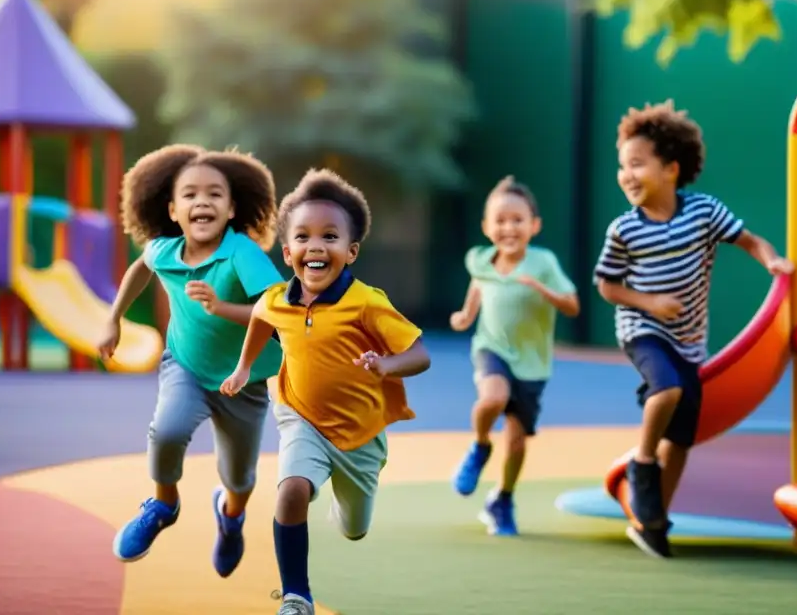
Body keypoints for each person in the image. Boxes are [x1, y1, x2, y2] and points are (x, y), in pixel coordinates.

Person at [220, 168, 431, 615]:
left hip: (359, 435)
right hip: (302, 417)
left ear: (351, 251)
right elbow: (260, 317)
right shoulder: (278, 298)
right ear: (288, 250)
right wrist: (243, 369)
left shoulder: (368, 302)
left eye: (330, 237)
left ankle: (344, 505)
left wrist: (386, 365)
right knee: (291, 489)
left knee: (355, 528)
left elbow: (419, 355)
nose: (316, 246)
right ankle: (297, 596)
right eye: (304, 237)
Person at [593, 101, 793, 559]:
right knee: (666, 392)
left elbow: (750, 240)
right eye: (622, 166)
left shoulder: (703, 212)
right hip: (641, 328)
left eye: (637, 164)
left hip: (689, 339)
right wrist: (650, 303)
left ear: (670, 169)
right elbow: (607, 286)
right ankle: (642, 464)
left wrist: (772, 262)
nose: (626, 174)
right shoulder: (624, 229)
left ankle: (653, 520)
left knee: (682, 438)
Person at [98, 145, 284, 577]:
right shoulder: (165, 250)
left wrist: (221, 307)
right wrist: (114, 319)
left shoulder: (243, 254)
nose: (203, 201)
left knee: (240, 478)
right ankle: (163, 504)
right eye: (190, 195)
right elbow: (141, 267)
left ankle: (231, 516)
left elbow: (278, 311)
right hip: (185, 366)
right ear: (173, 210)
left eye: (216, 194)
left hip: (245, 379)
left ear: (233, 208)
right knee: (167, 431)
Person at [450, 176, 580, 536]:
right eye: (501, 220)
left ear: (534, 225)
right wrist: (466, 314)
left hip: (532, 363)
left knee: (518, 440)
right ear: (486, 227)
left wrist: (542, 289)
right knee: (493, 397)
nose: (509, 227)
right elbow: (480, 281)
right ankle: (479, 447)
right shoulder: (479, 259)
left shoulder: (543, 263)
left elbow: (572, 305)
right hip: (491, 348)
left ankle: (503, 498)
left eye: (518, 220)